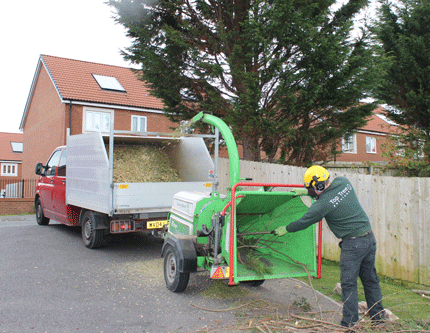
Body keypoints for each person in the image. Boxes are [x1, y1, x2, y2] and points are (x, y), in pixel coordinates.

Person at [275, 165, 384, 328]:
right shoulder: (343, 182)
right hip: (369, 238)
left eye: (310, 188)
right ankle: (379, 320)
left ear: (317, 186)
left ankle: (350, 325)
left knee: (348, 284)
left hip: (353, 245)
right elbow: (329, 194)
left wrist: (286, 228)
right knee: (370, 281)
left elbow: (304, 221)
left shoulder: (321, 205)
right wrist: (306, 192)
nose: (310, 191)